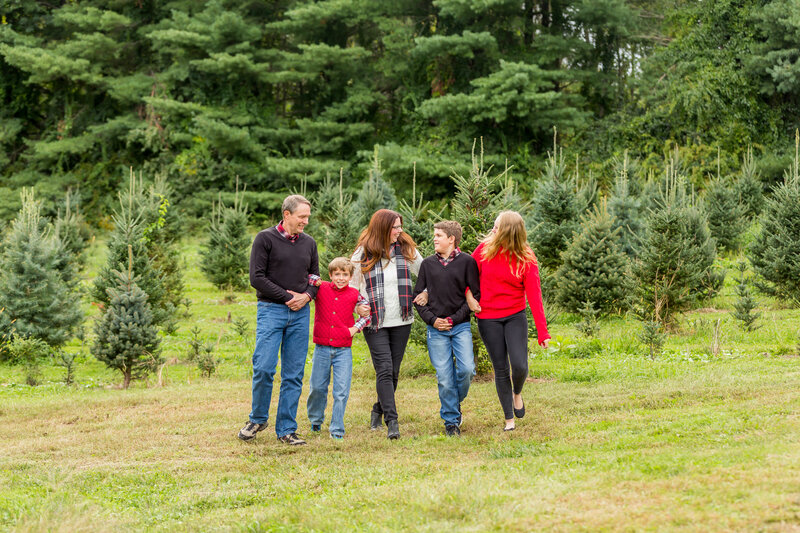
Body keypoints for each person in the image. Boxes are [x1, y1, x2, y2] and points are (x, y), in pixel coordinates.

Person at [238, 195, 319, 445]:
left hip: (300, 313)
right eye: (302, 216)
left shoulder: (309, 243)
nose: (306, 221)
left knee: (293, 373)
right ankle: (257, 418)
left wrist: (307, 296)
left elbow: (315, 277)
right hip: (271, 310)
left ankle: (286, 429)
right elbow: (257, 278)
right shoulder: (265, 239)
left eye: (307, 217)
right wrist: (288, 297)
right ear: (287, 214)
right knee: (264, 367)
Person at [470, 211, 550, 432]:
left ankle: (517, 392)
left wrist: (543, 332)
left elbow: (535, 296)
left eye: (497, 227)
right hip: (488, 318)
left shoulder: (526, 257)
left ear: (508, 232)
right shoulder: (484, 250)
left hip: (515, 315)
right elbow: (467, 275)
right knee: (501, 368)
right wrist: (469, 297)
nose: (492, 230)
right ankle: (509, 419)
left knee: (520, 365)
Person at [351, 209, 424, 440]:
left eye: (400, 226)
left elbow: (427, 272)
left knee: (393, 372)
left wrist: (426, 292)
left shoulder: (406, 249)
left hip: (402, 319)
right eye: (395, 227)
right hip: (374, 320)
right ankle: (392, 421)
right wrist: (357, 306)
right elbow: (352, 286)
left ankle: (378, 409)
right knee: (383, 369)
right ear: (382, 228)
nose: (399, 231)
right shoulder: (363, 253)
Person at [413, 221, 481, 437]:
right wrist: (433, 320)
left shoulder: (467, 262)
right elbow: (417, 298)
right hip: (436, 330)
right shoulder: (427, 265)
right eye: (434, 235)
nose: (434, 238)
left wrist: (453, 319)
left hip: (460, 327)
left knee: (467, 369)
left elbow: (474, 296)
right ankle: (451, 422)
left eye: (439, 235)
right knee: (444, 377)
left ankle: (452, 402)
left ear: (451, 239)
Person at [306, 258, 370, 440]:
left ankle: (337, 429)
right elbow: (306, 277)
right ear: (331, 275)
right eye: (337, 274)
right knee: (317, 387)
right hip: (322, 348)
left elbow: (367, 312)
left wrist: (355, 328)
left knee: (341, 391)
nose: (341, 278)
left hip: (343, 350)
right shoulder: (322, 288)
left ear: (350, 276)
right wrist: (316, 280)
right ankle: (316, 419)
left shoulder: (355, 294)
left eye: (345, 275)